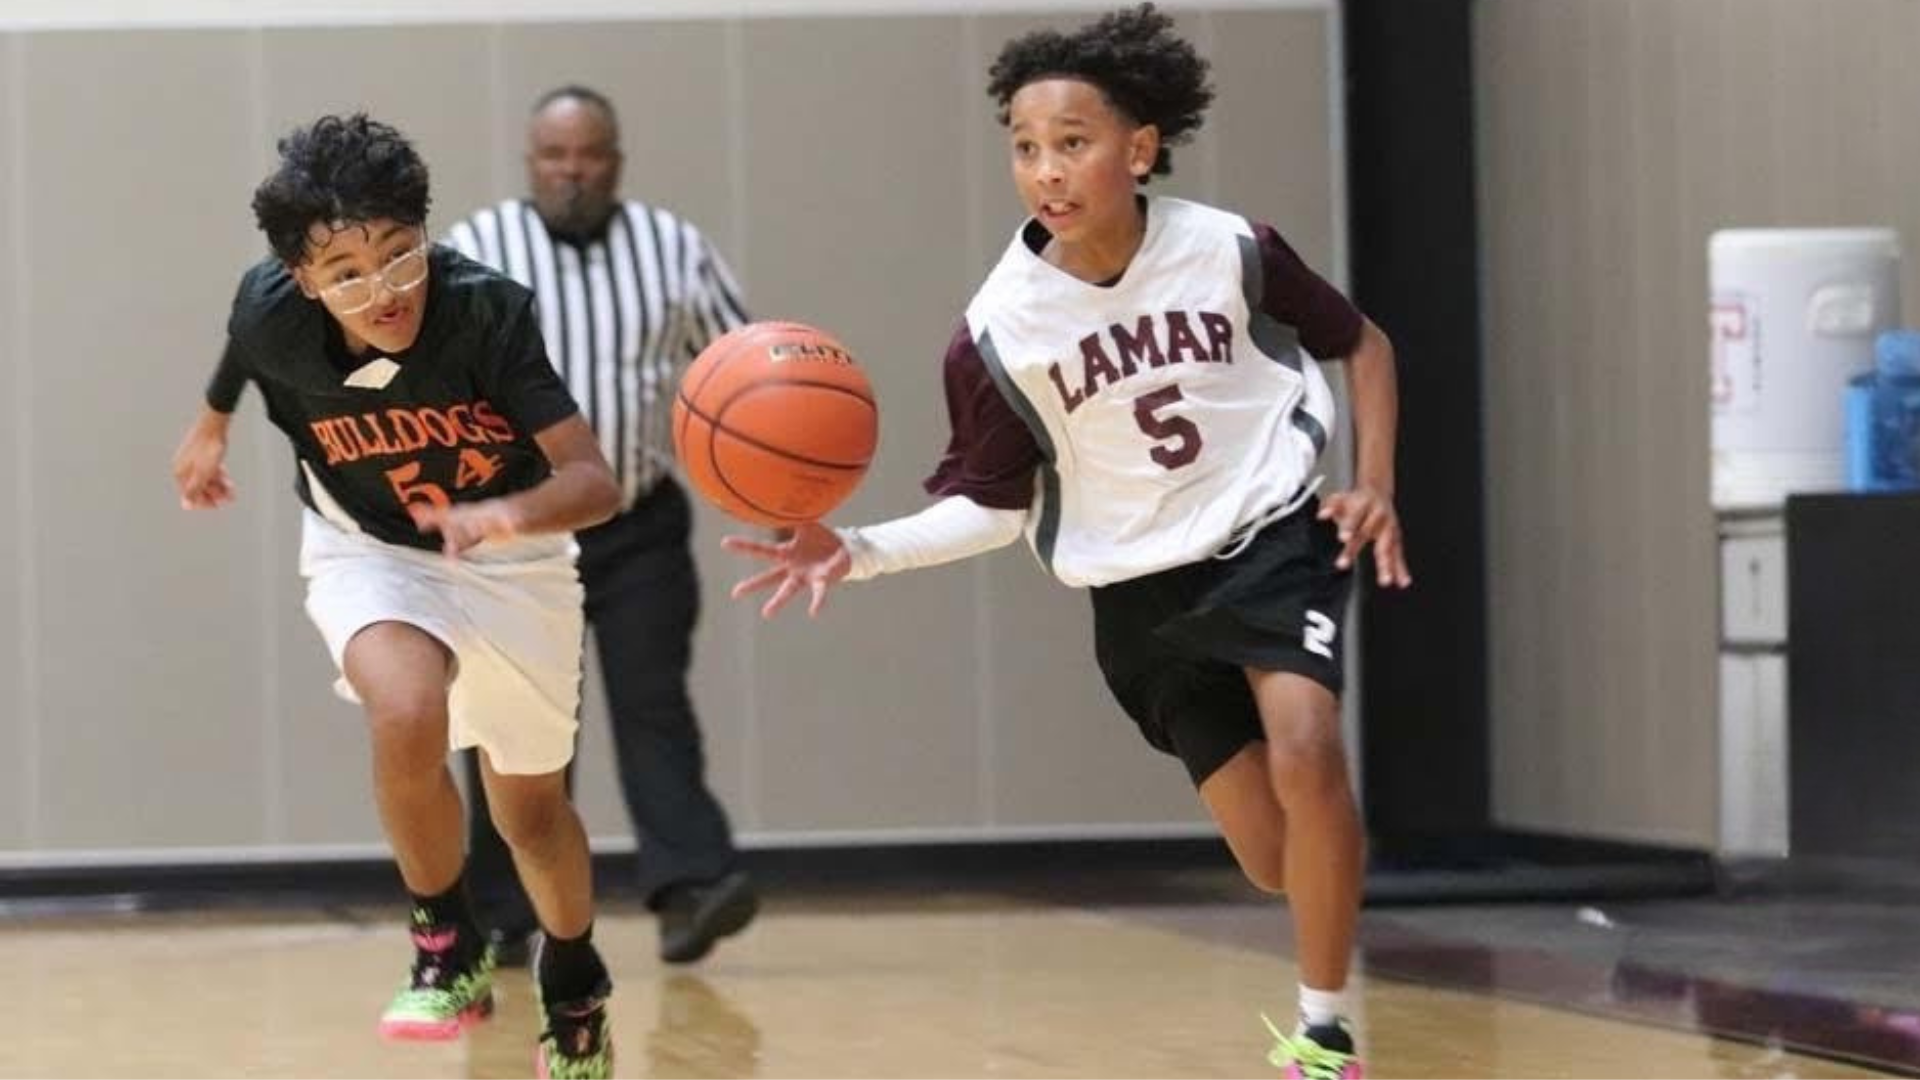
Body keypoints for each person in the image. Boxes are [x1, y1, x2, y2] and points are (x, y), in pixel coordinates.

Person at [720, 6, 1406, 1077]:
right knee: (1274, 859)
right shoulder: (1000, 329)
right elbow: (993, 507)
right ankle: (1317, 952)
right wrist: (852, 549)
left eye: (1072, 143)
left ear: (1138, 149)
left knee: (1309, 747)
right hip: (1140, 595)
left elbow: (1361, 343)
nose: (1045, 168)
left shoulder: (1231, 250)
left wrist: (1374, 485)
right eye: (1025, 147)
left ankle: (1324, 1032)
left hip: (1273, 529)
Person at [171, 113, 619, 1078]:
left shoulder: (485, 312)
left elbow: (595, 482)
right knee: (404, 704)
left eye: (400, 256)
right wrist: (209, 424)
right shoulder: (269, 312)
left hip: (514, 562)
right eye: (348, 274)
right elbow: (244, 355)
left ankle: (573, 974)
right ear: (304, 280)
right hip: (365, 544)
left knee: (531, 815)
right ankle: (442, 940)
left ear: (427, 236)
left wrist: (507, 512)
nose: (383, 292)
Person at [445, 85, 758, 967]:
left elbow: (746, 374)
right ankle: (506, 914)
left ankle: (692, 889)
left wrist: (778, 498)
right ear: (530, 160)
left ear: (615, 160)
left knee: (654, 702)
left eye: (589, 155)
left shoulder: (674, 247)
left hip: (637, 519)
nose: (572, 170)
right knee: (518, 723)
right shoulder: (476, 250)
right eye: (556, 155)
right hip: (519, 533)